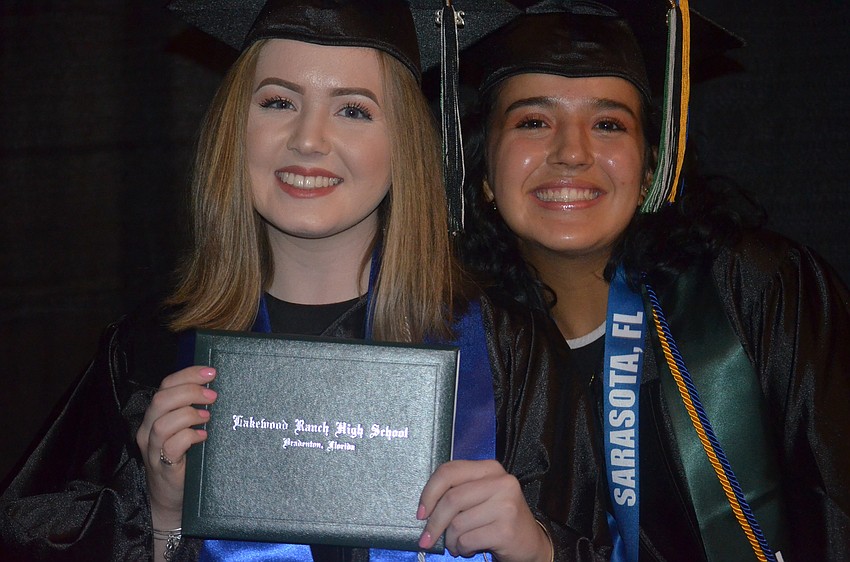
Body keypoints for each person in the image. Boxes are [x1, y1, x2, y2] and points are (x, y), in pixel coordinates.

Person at [0, 1, 608, 561]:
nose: (309, 139)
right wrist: (161, 519)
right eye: (278, 101)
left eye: (353, 110)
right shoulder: (147, 354)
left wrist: (536, 549)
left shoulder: (506, 350)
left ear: (405, 146)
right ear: (235, 129)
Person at [458, 2, 850, 561]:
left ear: (649, 167)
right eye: (533, 122)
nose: (571, 152)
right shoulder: (460, 348)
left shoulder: (757, 293)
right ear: (484, 172)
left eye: (608, 124)